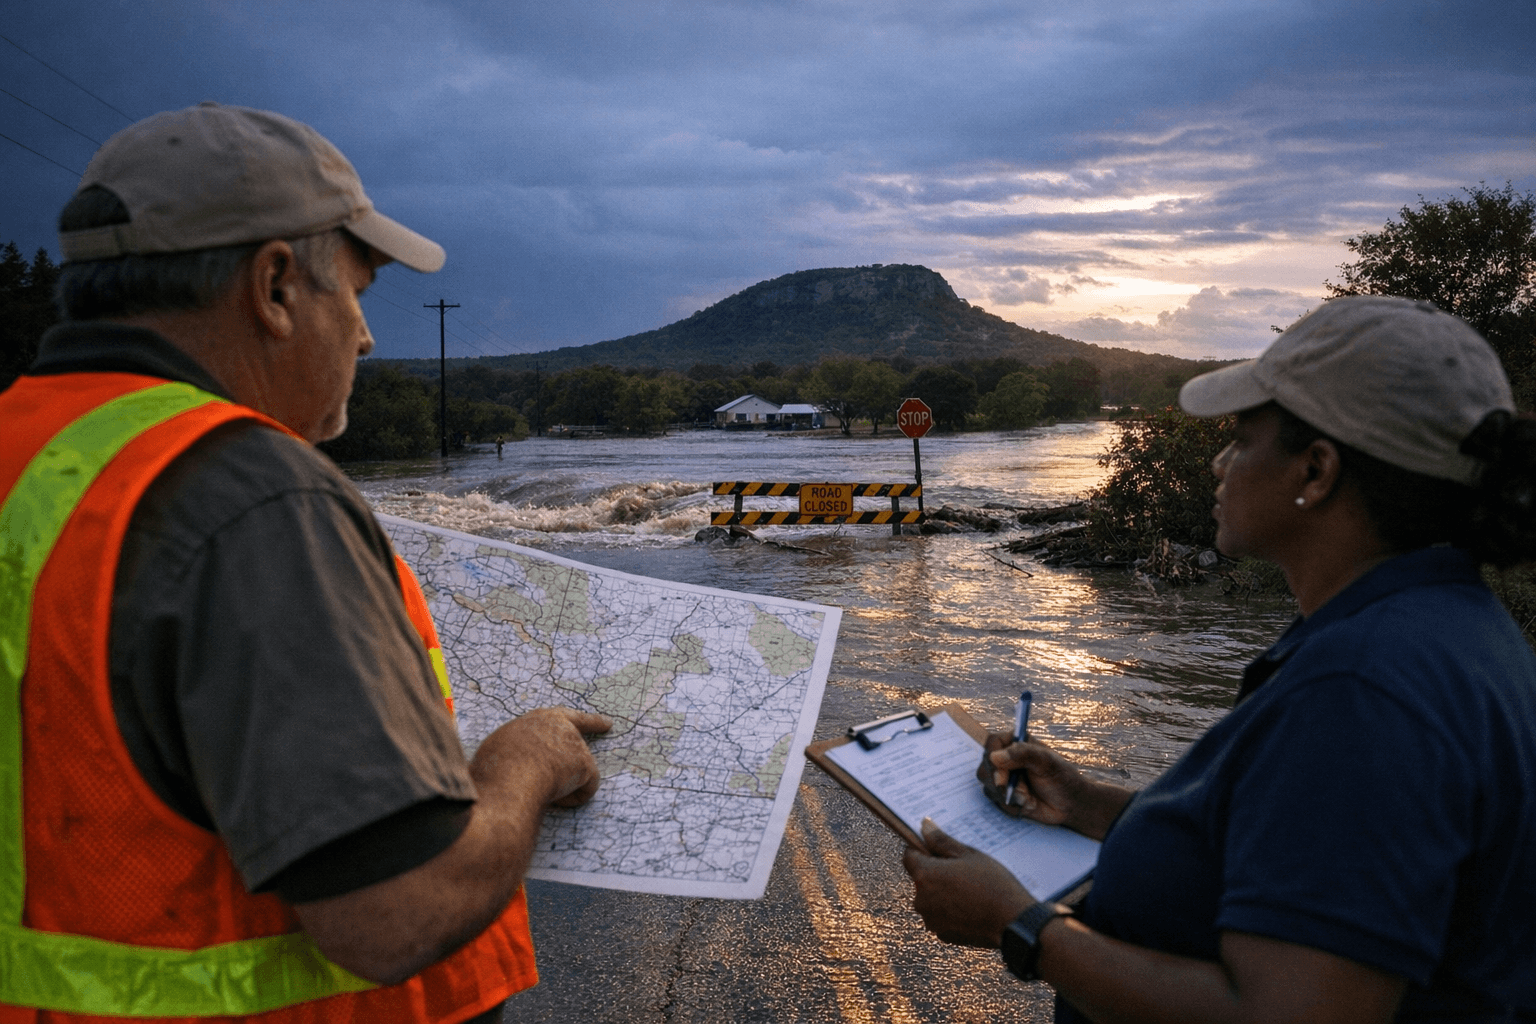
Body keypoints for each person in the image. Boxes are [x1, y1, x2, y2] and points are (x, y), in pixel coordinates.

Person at [0, 102, 611, 1023]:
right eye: (358, 294)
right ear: (276, 287)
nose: (365, 338)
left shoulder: (29, 448)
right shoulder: (249, 491)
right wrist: (523, 764)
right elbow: (393, 916)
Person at [902, 296, 1536, 1022]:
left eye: (1242, 436)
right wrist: (1085, 802)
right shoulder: (1443, 626)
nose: (1219, 459)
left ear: (1317, 470)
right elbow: (1291, 845)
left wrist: (1019, 928)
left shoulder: (1363, 686)